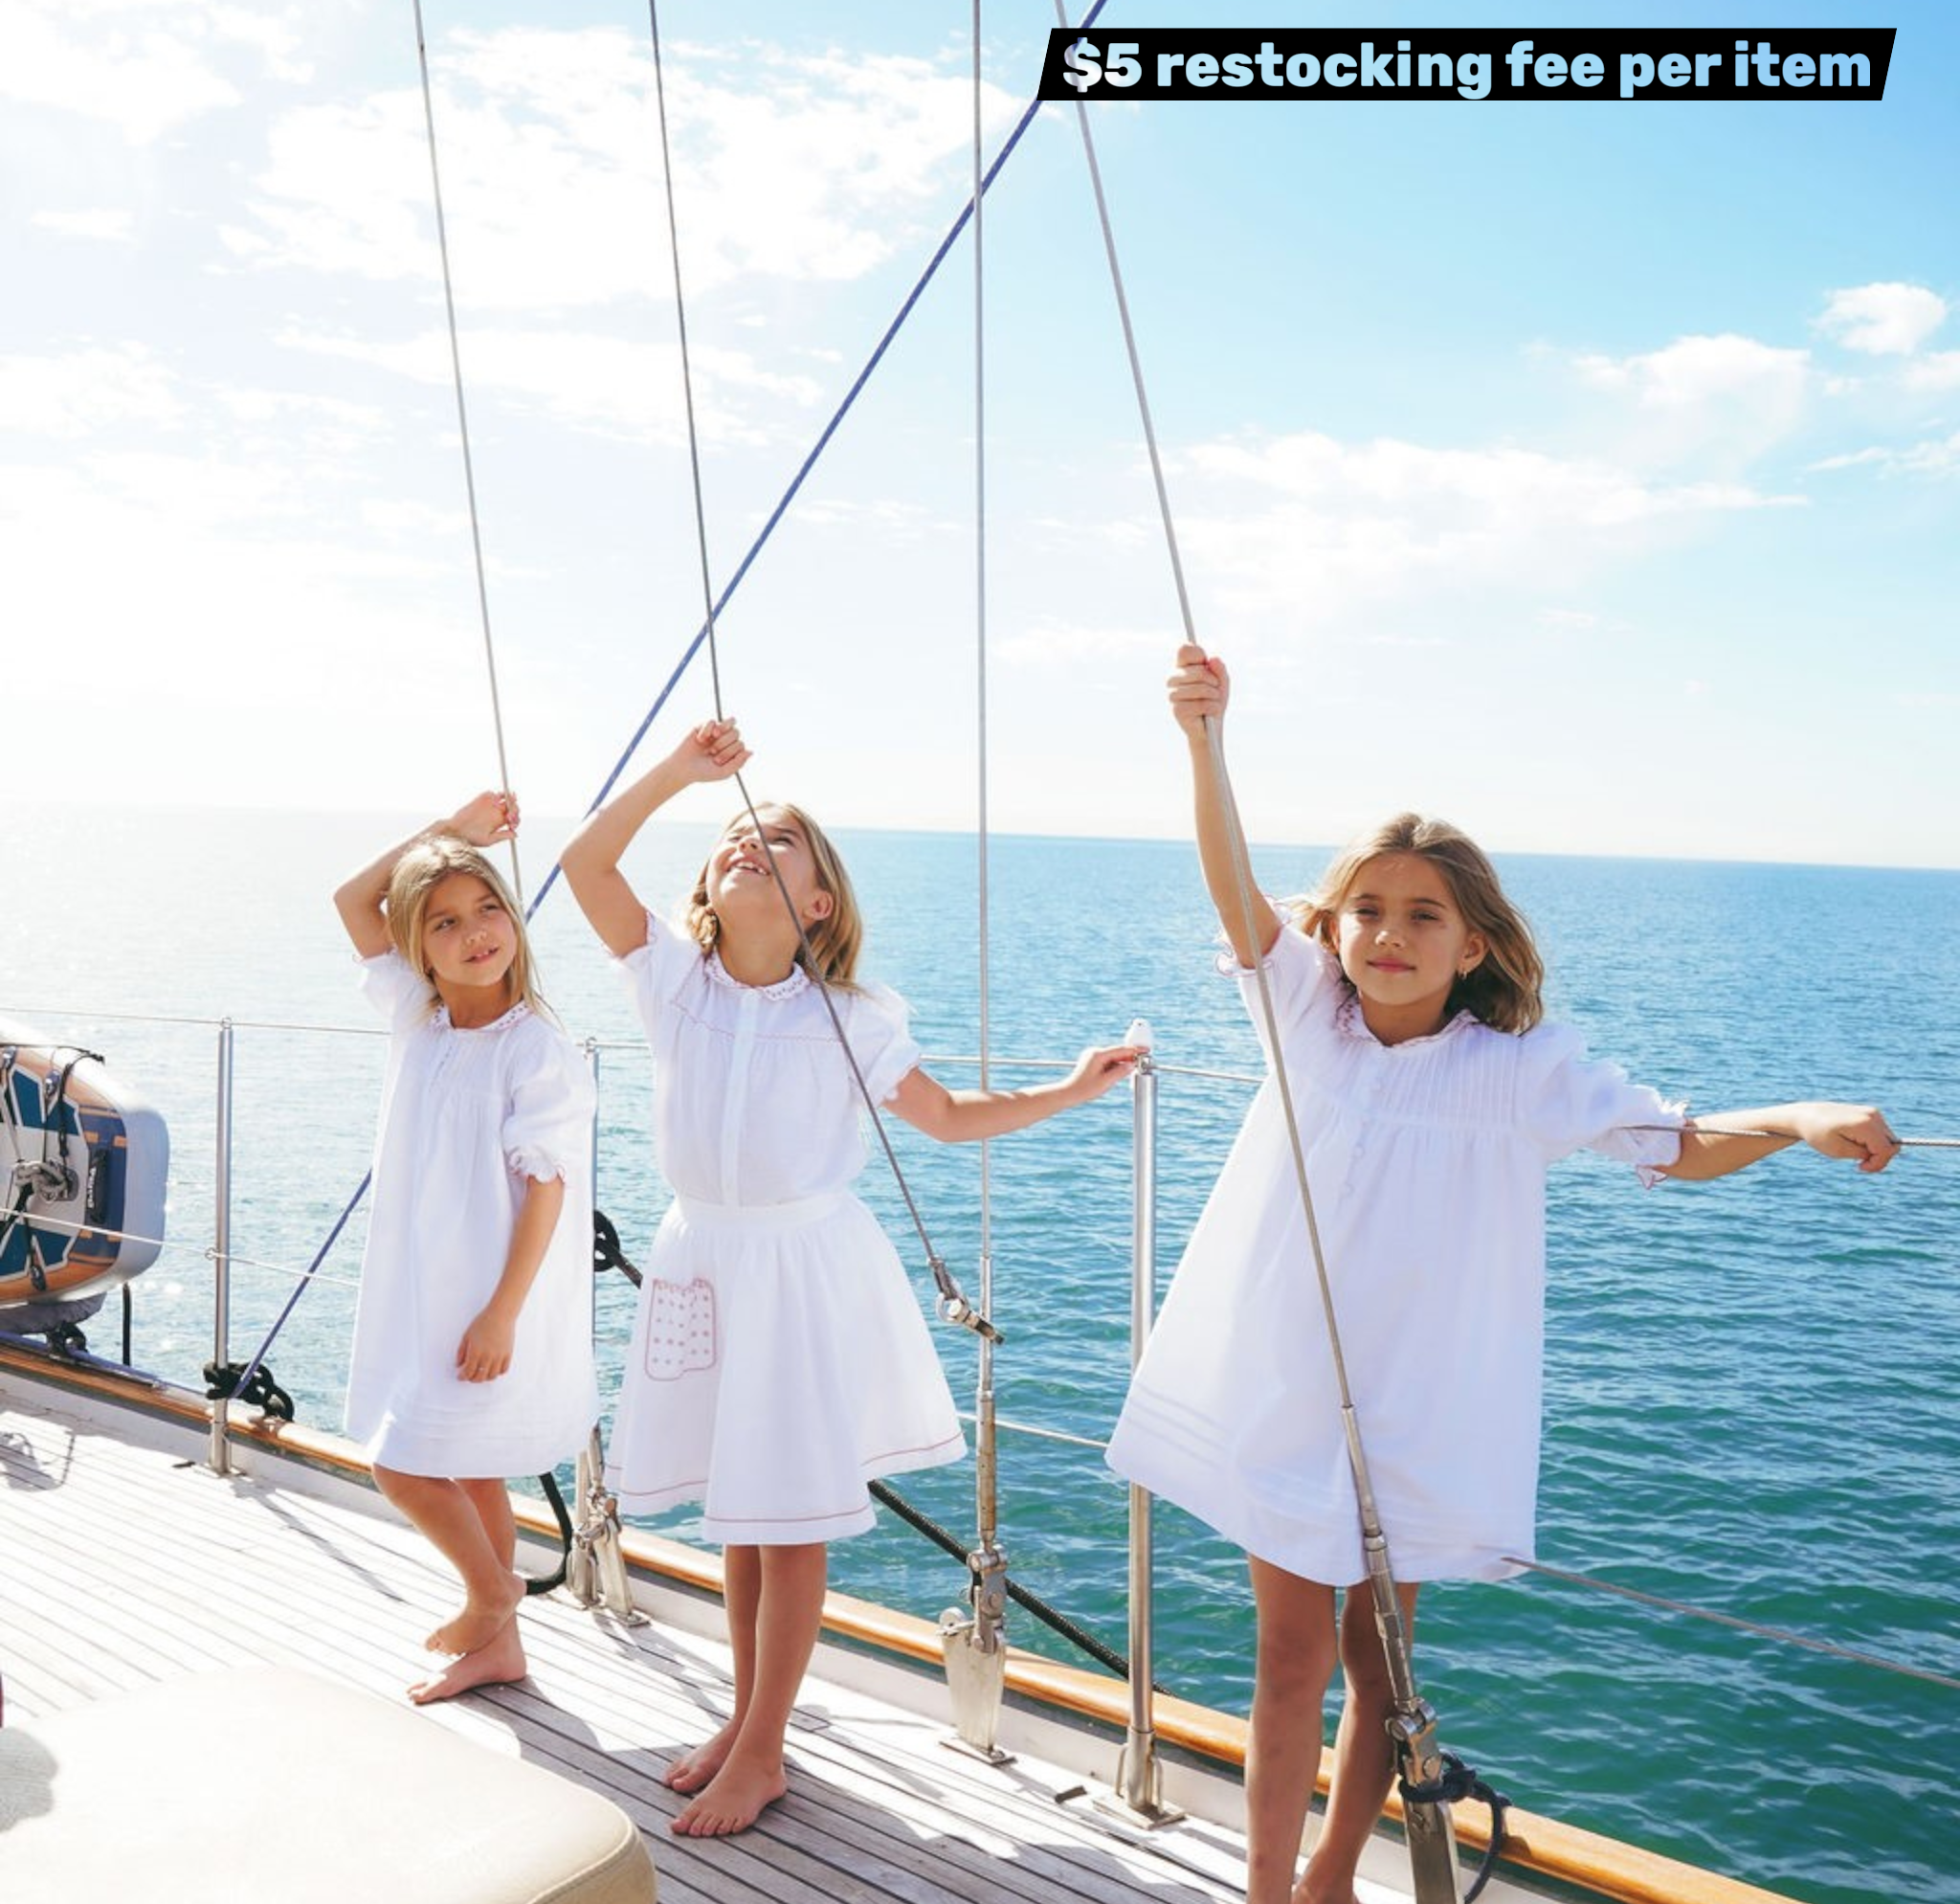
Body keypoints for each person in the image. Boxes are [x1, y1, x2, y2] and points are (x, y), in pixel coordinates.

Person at [1106, 645, 1902, 1904]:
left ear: (1473, 943)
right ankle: (1266, 1893)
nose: (1389, 933)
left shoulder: (1520, 1071)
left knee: (1381, 1667)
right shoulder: (1301, 1013)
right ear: (1333, 928)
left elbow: (1675, 1144)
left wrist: (1797, 1115)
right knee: (1286, 1656)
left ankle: (1329, 1879)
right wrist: (1204, 742)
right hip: (1286, 1381)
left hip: (1416, 1398)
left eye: (1424, 914)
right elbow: (1229, 879)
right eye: (1368, 909)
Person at [560, 718, 1145, 1839]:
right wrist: (680, 772)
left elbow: (948, 1117)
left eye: (779, 837)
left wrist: (1073, 1088)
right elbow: (585, 862)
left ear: (819, 902)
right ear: (707, 884)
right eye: (736, 833)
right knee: (742, 1518)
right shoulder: (671, 979)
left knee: (788, 1522)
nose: (749, 837)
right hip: (705, 1260)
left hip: (800, 1276)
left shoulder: (853, 1017)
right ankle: (748, 1721)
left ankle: (763, 1747)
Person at [334, 793, 598, 1706]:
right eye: (444, 922)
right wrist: (452, 830)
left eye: (489, 908)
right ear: (417, 949)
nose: (475, 932)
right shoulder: (422, 1017)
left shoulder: (537, 1051)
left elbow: (547, 1188)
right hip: (429, 1287)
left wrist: (501, 1314)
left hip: (491, 1296)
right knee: (471, 1468)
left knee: (399, 1462)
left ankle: (491, 1594)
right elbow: (351, 899)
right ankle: (501, 1648)